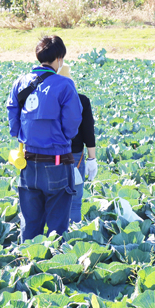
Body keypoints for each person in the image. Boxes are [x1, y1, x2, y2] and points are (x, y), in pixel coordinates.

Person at [7, 35, 83, 241]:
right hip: (57, 161)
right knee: (57, 225)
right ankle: (52, 265)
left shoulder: (20, 82)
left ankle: (26, 265)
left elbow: (12, 114)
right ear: (59, 58)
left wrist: (20, 135)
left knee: (30, 222)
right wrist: (63, 137)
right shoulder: (65, 85)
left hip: (27, 161)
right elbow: (73, 121)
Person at [58, 66, 98, 223]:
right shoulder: (81, 100)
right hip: (75, 158)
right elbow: (88, 131)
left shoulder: (49, 99)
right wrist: (91, 158)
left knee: (53, 200)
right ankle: (73, 237)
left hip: (50, 156)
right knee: (74, 203)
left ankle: (54, 237)